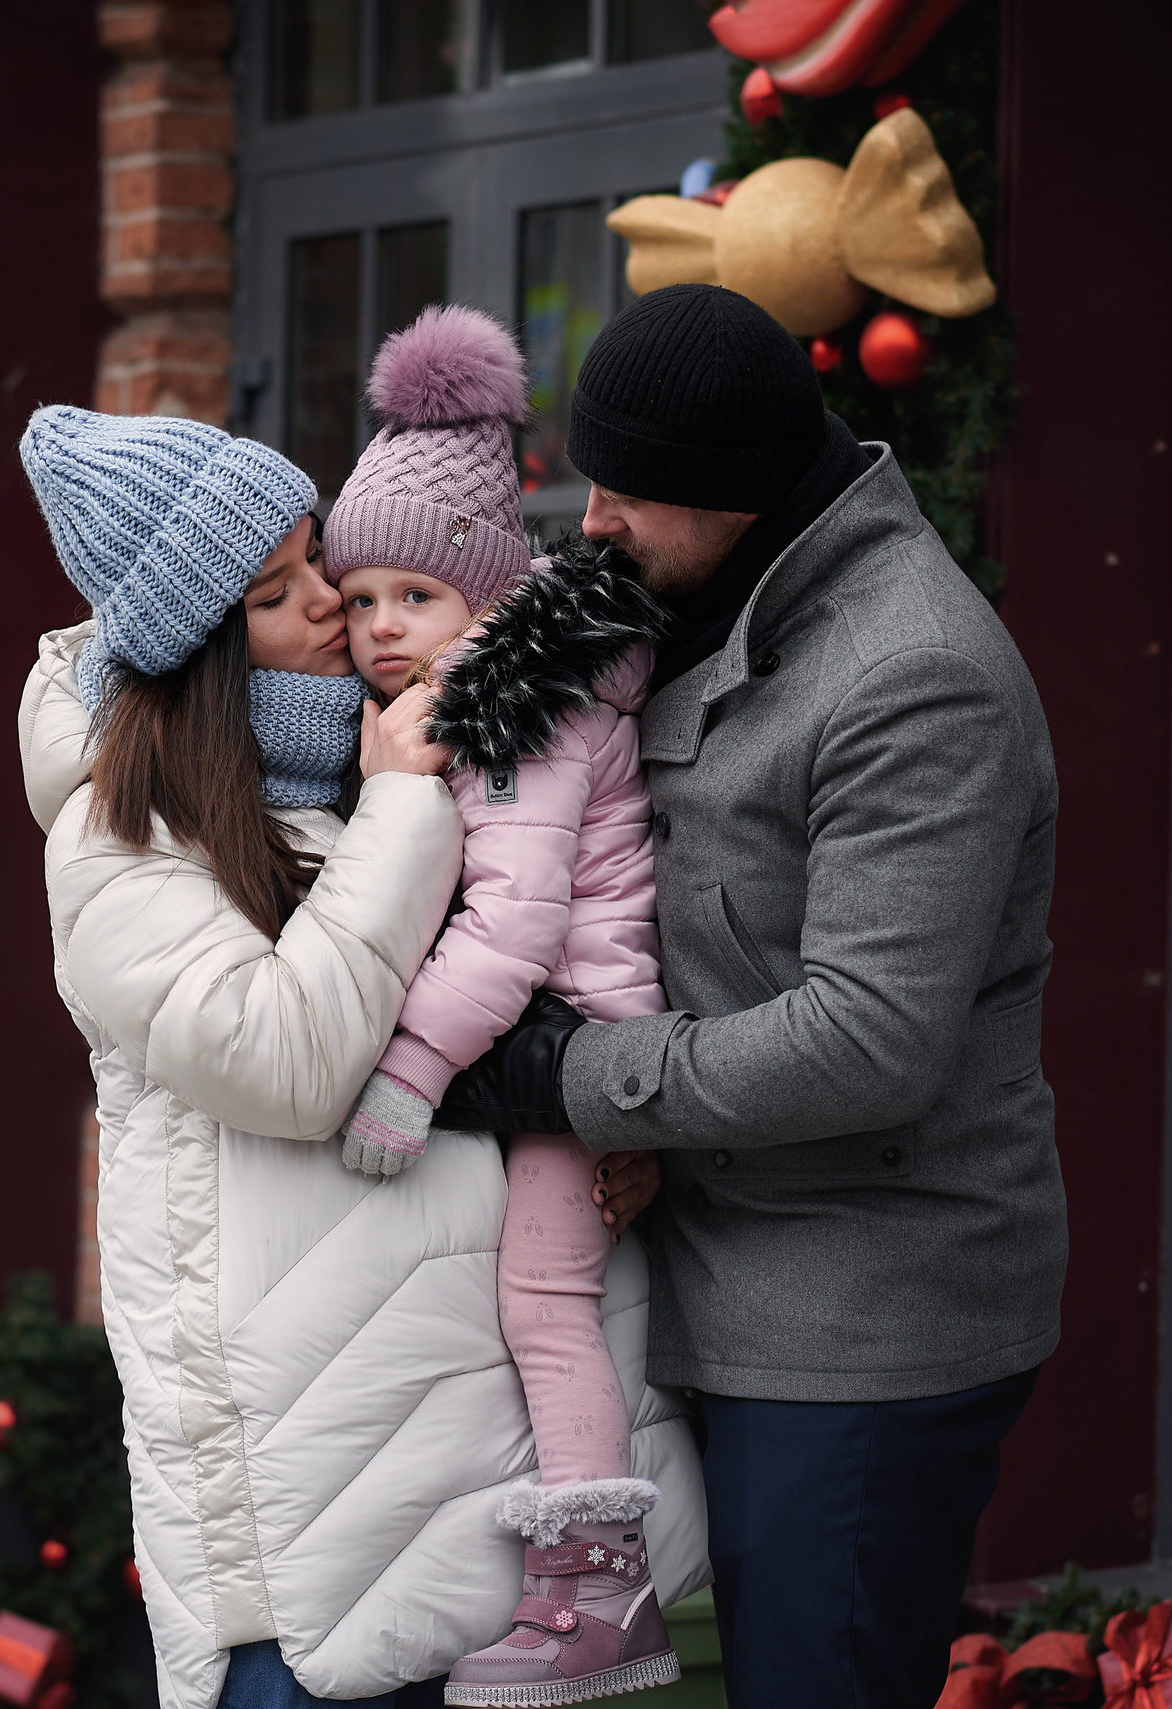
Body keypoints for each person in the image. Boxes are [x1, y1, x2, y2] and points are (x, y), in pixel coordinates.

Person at [430, 283, 1069, 1709]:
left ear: (742, 493)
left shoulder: (914, 675)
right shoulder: (689, 585)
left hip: (864, 1306)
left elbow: (867, 1042)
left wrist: (561, 1075)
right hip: (715, 1266)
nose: (593, 518)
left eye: (633, 490)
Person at [14, 406, 699, 1709]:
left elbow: (505, 1004)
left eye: (316, 558)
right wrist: (399, 803)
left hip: (469, 1520)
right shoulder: (118, 844)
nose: (337, 604)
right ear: (206, 653)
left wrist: (603, 1133)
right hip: (309, 1555)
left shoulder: (340, 781)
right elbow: (288, 1061)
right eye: (281, 593)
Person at [320, 305, 680, 1708]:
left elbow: (516, 925)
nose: (378, 629)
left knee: (543, 1298)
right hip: (561, 1037)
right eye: (358, 602)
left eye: (412, 597)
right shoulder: (479, 697)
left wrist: (408, 1063)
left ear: (482, 590)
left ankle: (602, 1595)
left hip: (584, 1040)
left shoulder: (522, 711)